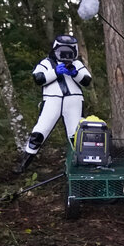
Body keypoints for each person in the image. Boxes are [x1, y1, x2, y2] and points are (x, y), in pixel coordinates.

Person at [16, 35, 92, 174]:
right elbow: (38, 78)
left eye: (69, 52)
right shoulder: (46, 63)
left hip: (73, 101)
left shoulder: (77, 64)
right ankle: (23, 165)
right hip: (52, 100)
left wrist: (74, 73)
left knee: (76, 135)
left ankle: (82, 164)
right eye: (62, 51)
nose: (65, 55)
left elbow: (87, 80)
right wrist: (55, 72)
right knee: (39, 133)